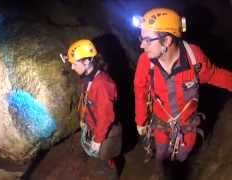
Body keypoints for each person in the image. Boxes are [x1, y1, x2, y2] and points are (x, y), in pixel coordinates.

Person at [132, 7, 232, 179]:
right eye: (141, 38)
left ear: (167, 41)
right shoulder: (145, 62)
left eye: (148, 40)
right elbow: (140, 89)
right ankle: (160, 172)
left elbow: (214, 74)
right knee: (161, 156)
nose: (142, 45)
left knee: (182, 158)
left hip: (188, 130)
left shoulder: (194, 58)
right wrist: (140, 120)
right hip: (161, 127)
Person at [61, 39, 123, 179]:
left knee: (106, 160)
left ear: (87, 62)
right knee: (103, 158)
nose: (72, 68)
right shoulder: (90, 77)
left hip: (106, 132)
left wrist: (98, 140)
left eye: (74, 64)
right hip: (96, 127)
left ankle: (111, 173)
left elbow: (106, 116)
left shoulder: (102, 84)